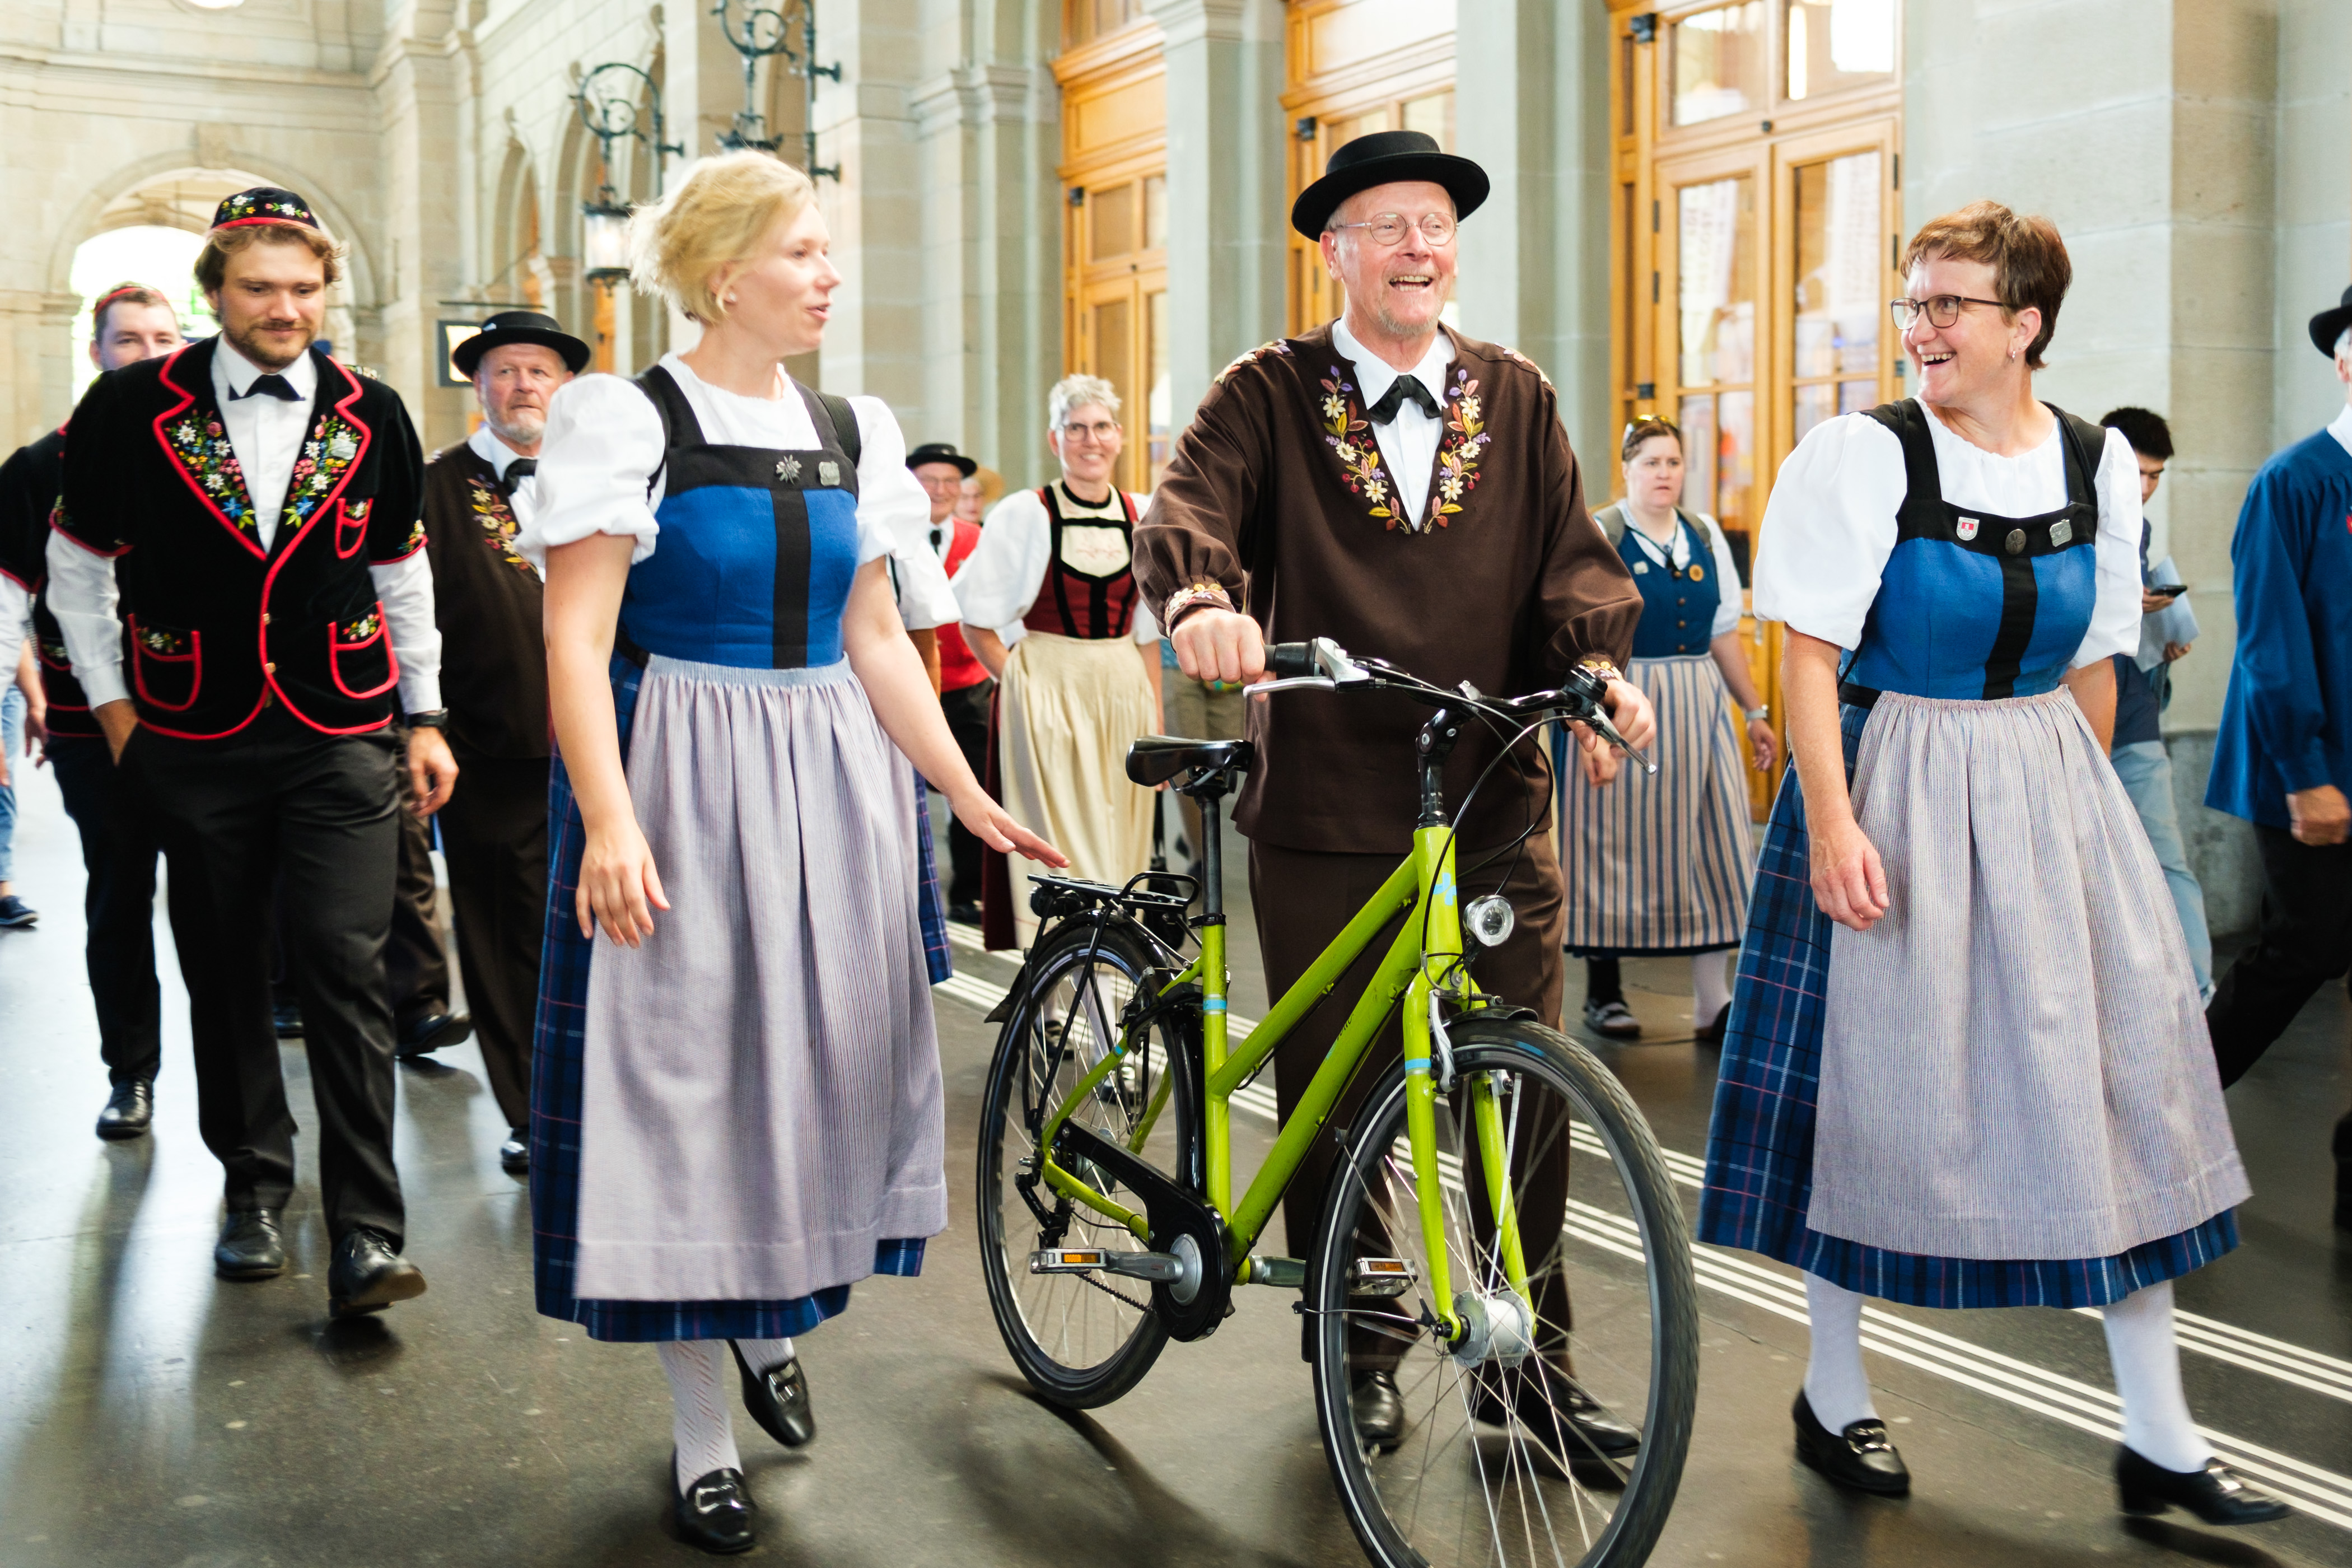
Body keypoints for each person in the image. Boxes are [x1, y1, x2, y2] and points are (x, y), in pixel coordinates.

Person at [1698, 201, 2280, 1526]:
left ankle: (2161, 1438)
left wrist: (2075, 832)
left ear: (2028, 326)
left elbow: (2097, 662)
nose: (1921, 330)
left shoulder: (2096, 466)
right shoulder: (1865, 454)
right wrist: (1834, 824)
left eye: (1950, 306)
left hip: (2048, 792)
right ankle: (1833, 1388)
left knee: (2122, 1102)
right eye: (1913, 304)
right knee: (1860, 1102)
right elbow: (1808, 652)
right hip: (1889, 781)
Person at [518, 151, 1061, 1555]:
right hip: (682, 771)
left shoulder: (852, 426)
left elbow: (877, 639)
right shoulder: (620, 421)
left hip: (830, 777)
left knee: (812, 1073)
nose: (828, 275)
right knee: (685, 1090)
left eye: (827, 252)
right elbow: (575, 641)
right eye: (805, 251)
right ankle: (704, 1427)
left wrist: (964, 793)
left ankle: (770, 1325)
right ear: (722, 274)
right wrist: (615, 821)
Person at [1135, 128, 1654, 1453]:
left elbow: (1572, 570)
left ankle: (1523, 1364)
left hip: (1486, 795)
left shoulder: (1518, 396)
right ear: (1337, 253)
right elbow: (1191, 507)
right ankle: (1358, 1341)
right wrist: (1201, 597)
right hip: (1325, 796)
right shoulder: (1266, 389)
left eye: (1436, 224)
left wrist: (1597, 672)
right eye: (1390, 226)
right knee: (1345, 1085)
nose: (1420, 248)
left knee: (1524, 1091)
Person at [50, 188, 451, 1317]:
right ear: (215, 293)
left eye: (305, 289)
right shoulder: (132, 407)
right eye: (262, 289)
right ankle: (255, 1192)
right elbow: (79, 566)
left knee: (342, 960)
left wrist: (423, 715)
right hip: (196, 733)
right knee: (225, 967)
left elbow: (398, 572)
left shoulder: (374, 410)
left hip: (340, 728)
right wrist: (118, 709)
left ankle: (369, 1229)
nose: (287, 309)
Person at [0, 283, 188, 1135]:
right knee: (119, 894)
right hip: (87, 725)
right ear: (96, 351)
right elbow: (8, 603)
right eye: (128, 340)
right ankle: (132, 1072)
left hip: (206, 720)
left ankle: (248, 1061)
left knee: (225, 898)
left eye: (162, 338)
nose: (146, 355)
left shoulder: (211, 459)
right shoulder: (39, 469)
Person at [410, 310, 589, 1174]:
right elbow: (406, 615)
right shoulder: (434, 485)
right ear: (478, 386)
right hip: (485, 750)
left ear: (564, 387)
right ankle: (532, 1114)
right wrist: (425, 727)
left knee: (599, 930)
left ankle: (602, 1102)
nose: (523, 386)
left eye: (539, 372)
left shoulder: (602, 480)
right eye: (505, 372)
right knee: (498, 933)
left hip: (602, 751)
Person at [2205, 286, 2352, 1226]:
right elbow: (2270, 639)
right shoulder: (2295, 483)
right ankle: (2158, 1114)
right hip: (2307, 772)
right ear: (2345, 363)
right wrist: (2307, 771)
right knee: (2309, 946)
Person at [1562, 417, 1777, 1043]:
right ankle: (1605, 995)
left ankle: (1715, 999)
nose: (1664, 473)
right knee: (1609, 841)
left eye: (1674, 462)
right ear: (1627, 469)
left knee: (1713, 839)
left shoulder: (1705, 535)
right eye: (1652, 462)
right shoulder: (1601, 533)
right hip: (1622, 701)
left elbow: (1722, 635)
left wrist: (1756, 712)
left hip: (1700, 704)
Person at [957, 375, 1163, 950]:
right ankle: (1054, 980)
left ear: (1120, 437)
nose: (1089, 440)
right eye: (1076, 429)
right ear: (1055, 440)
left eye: (1101, 427)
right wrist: (1020, 683)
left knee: (1121, 832)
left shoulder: (1144, 513)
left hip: (1123, 684)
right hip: (1046, 680)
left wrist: (1157, 730)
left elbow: (1148, 638)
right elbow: (975, 618)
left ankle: (1115, 977)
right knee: (1058, 832)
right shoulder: (1027, 513)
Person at [2096, 407, 2214, 999]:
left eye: (2156, 478)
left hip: (2133, 715)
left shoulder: (2135, 530)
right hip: (2073, 723)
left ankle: (2199, 995)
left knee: (2168, 860)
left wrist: (2157, 634)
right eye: (2138, 473)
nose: (2145, 489)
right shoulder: (2070, 516)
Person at [909, 439, 991, 923]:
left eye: (949, 482)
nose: (940, 490)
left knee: (975, 783)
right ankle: (907, 884)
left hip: (968, 683)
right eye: (929, 480)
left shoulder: (978, 539)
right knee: (907, 787)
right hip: (908, 687)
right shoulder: (891, 536)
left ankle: (969, 890)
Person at [0, 643, 37, 930]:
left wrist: (37, 702)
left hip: (7, 675)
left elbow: (12, 626)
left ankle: (3, 891)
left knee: (2, 782)